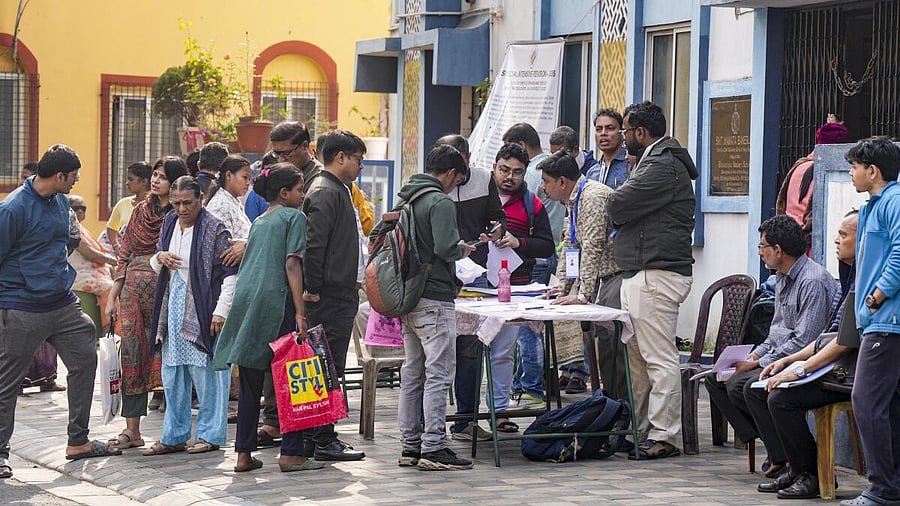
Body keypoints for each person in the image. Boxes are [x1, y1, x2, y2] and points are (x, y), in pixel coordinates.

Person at [1, 144, 121, 481]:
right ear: (59, 175)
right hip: (21, 306)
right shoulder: (13, 209)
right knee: (7, 382)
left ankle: (78, 441)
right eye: (74, 176)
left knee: (86, 358)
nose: (77, 181)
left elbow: (67, 241)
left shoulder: (61, 203)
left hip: (61, 302)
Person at [370, 144, 477, 470]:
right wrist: (464, 250)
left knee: (413, 373)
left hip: (410, 298)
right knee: (439, 374)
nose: (454, 185)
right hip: (434, 297)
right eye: (457, 179)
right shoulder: (439, 201)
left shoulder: (407, 199)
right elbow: (446, 247)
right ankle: (433, 446)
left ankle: (410, 447)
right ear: (449, 174)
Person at [214, 163, 325, 473]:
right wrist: (301, 314)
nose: (304, 195)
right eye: (301, 190)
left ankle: (243, 455)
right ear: (284, 192)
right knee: (291, 379)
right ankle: (291, 453)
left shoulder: (259, 222)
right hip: (277, 303)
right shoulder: (295, 217)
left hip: (248, 304)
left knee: (250, 382)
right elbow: (292, 264)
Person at [705, 215, 838, 464]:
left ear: (778, 250)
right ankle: (774, 446)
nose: (760, 253)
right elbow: (774, 334)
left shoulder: (812, 281)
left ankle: (781, 457)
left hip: (803, 361)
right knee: (716, 379)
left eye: (762, 247)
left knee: (743, 387)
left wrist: (757, 364)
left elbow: (804, 341)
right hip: (778, 356)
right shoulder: (781, 279)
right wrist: (753, 356)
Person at [746, 210, 859, 499]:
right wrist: (784, 361)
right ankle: (794, 468)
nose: (835, 240)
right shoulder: (847, 276)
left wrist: (798, 368)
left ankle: (813, 473)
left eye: (844, 235)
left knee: (781, 398)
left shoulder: (839, 280)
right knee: (760, 389)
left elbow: (842, 343)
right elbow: (826, 337)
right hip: (828, 363)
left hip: (847, 372)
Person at [607, 100, 697, 459]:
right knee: (638, 361)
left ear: (640, 133)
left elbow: (617, 205)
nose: (623, 137)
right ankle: (643, 429)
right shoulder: (652, 162)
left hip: (656, 274)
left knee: (658, 358)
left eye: (626, 131)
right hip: (642, 272)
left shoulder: (662, 165)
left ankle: (664, 435)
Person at [142, 176, 237, 456]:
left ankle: (210, 436)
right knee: (172, 374)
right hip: (173, 304)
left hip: (204, 308)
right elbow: (157, 259)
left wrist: (221, 311)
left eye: (187, 203)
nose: (182, 208)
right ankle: (174, 436)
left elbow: (230, 275)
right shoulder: (170, 222)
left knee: (207, 375)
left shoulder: (215, 229)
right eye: (177, 203)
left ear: (201, 200)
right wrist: (159, 259)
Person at [464, 143, 555, 433]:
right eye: (504, 170)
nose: (510, 177)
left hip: (513, 289)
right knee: (469, 354)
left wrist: (519, 242)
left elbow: (546, 246)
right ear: (494, 167)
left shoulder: (532, 204)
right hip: (475, 287)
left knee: (503, 353)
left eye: (517, 172)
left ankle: (498, 412)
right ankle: (465, 417)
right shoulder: (475, 197)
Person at [105, 156, 189, 450]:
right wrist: (113, 296)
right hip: (131, 296)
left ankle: (176, 431)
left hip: (167, 294)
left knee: (172, 359)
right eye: (155, 174)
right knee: (131, 355)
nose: (156, 180)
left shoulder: (181, 215)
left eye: (163, 177)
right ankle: (132, 429)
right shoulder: (140, 210)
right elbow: (125, 253)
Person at [433, 134, 507, 441]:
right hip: (441, 272)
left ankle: (465, 420)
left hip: (476, 272)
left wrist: (497, 229)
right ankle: (430, 427)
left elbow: (497, 217)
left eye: (462, 166)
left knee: (470, 348)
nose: (457, 177)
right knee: (437, 351)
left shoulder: (483, 180)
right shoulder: (432, 187)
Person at [300, 130, 367, 461]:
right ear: (340, 157)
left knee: (328, 365)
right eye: (358, 160)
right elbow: (314, 244)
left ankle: (319, 436)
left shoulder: (339, 189)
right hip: (328, 296)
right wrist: (311, 289)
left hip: (338, 293)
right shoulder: (326, 191)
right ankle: (324, 439)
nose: (360, 167)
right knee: (327, 366)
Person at [538, 151, 626, 399]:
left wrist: (584, 294)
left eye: (546, 181)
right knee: (604, 345)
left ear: (562, 181)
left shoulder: (593, 196)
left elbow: (594, 244)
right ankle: (609, 402)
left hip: (616, 275)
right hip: (602, 278)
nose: (543, 188)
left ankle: (619, 406)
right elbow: (570, 244)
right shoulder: (572, 200)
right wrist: (562, 287)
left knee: (612, 343)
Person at [843, 136, 900, 506]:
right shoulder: (874, 205)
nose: (852, 173)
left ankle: (882, 488)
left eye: (855, 167)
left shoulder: (893, 201)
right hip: (877, 319)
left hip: (887, 320)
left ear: (872, 170)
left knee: (865, 401)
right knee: (888, 406)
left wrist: (878, 294)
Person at [775, 117, 850, 254]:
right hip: (809, 250)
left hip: (788, 246)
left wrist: (831, 127)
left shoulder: (798, 166)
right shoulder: (829, 176)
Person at [68, 195, 116, 339]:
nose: (80, 211)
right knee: (111, 288)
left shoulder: (80, 227)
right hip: (78, 275)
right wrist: (114, 261)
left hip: (89, 273)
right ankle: (108, 329)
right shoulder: (70, 228)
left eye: (83, 208)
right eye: (76, 208)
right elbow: (91, 254)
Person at [205, 155, 253, 267]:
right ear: (228, 175)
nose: (247, 183)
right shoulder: (220, 205)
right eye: (245, 177)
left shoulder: (233, 201)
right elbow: (225, 252)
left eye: (249, 179)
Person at [106, 161, 152, 259]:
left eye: (131, 179)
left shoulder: (154, 206)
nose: (127, 183)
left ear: (144, 181)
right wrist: (116, 246)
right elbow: (111, 227)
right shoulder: (123, 204)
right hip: (126, 259)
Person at [586, 109, 630, 189]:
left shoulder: (630, 166)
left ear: (621, 132)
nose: (603, 133)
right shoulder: (592, 173)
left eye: (610, 128)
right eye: (598, 129)